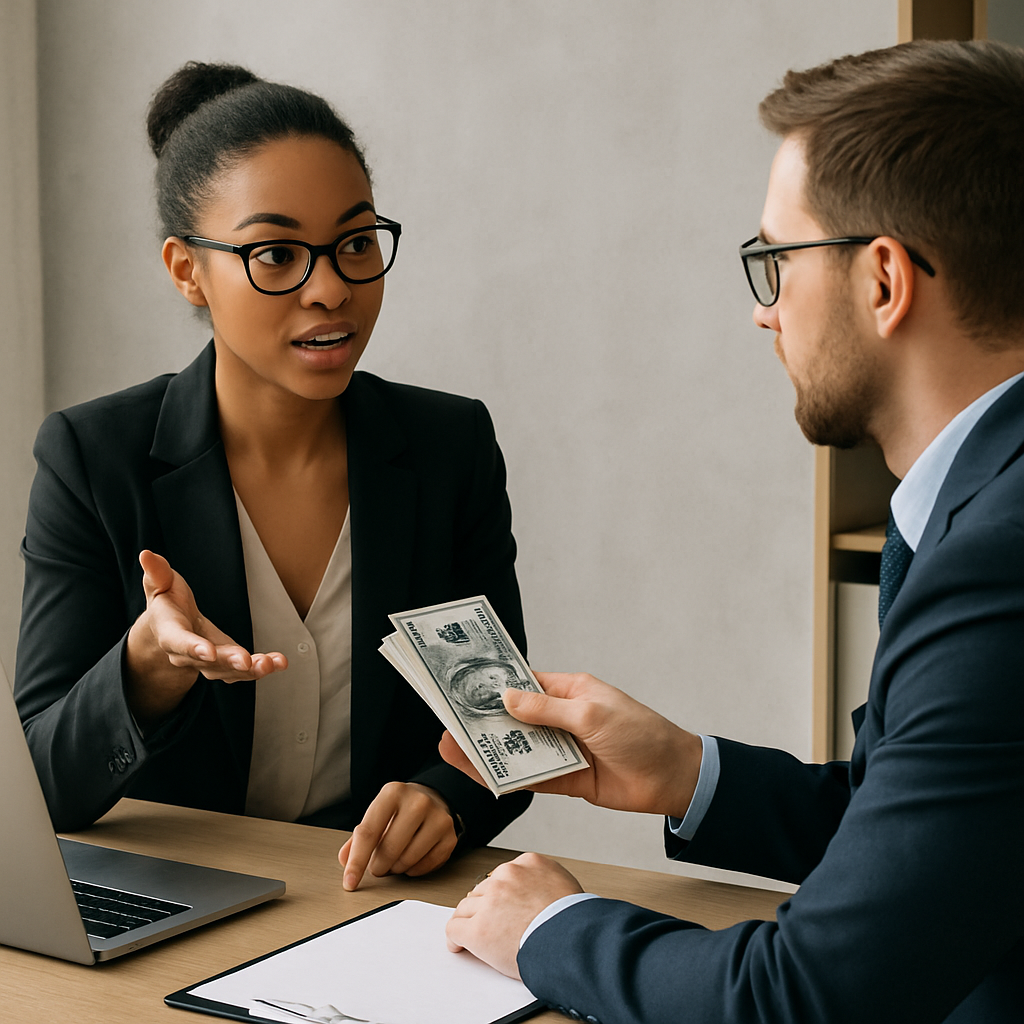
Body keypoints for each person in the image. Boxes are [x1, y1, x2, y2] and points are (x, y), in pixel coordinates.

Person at [441, 39, 1024, 1023]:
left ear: (883, 281)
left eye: (775, 262)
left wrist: (550, 929)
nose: (764, 314)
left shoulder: (997, 561)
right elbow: (931, 841)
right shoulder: (983, 499)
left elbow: (803, 998)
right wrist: (684, 771)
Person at [14, 62, 530, 891]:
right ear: (187, 270)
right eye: (277, 255)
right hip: (178, 904)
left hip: (369, 901)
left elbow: (500, 727)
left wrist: (449, 799)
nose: (330, 289)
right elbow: (35, 785)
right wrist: (146, 667)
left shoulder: (447, 447)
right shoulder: (92, 458)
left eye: (355, 244)